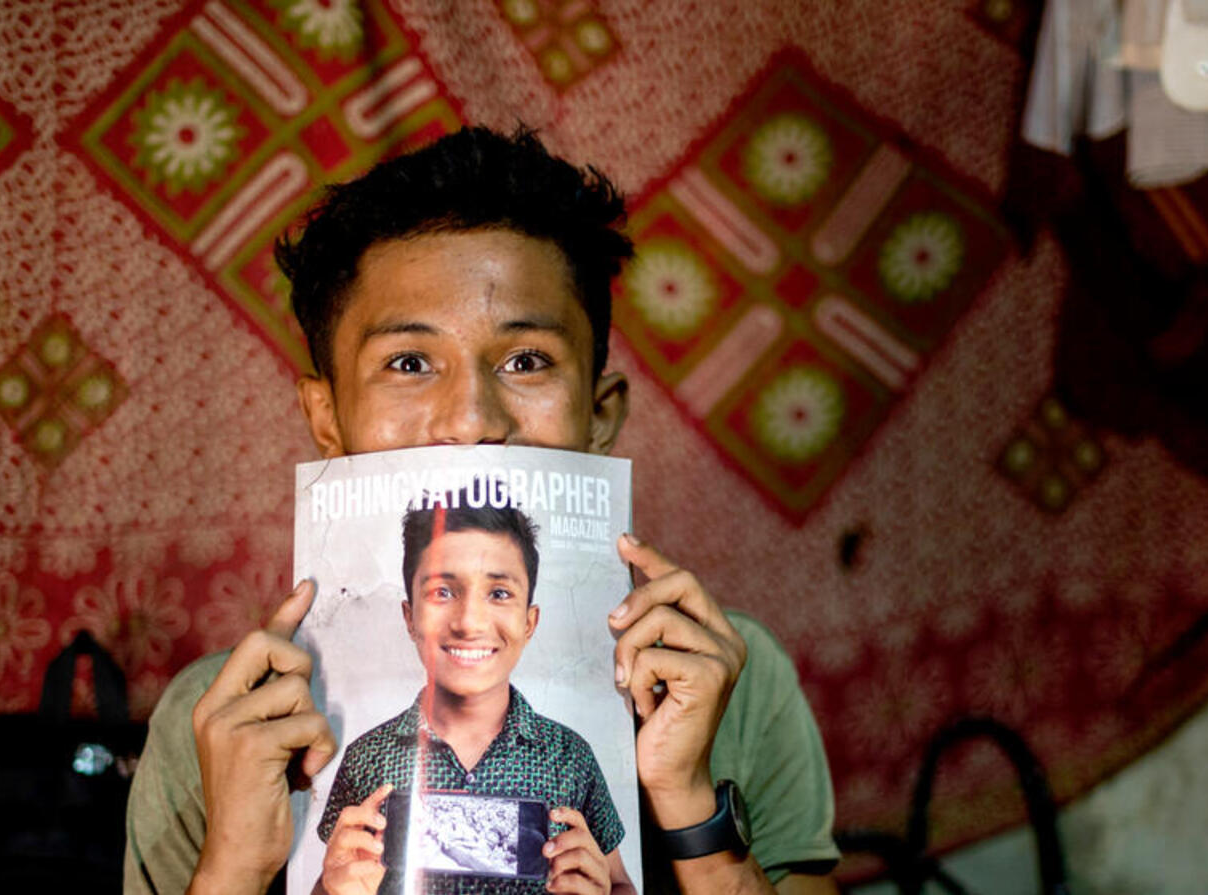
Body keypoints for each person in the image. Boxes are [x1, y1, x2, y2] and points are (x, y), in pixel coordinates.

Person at [123, 126, 840, 895]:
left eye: (526, 360)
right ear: (326, 418)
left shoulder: (732, 680)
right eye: (408, 362)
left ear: (600, 415)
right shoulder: (220, 720)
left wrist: (690, 808)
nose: (469, 421)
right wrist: (234, 864)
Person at [316, 501, 631, 895]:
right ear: (410, 617)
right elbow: (330, 879)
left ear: (529, 621)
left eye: (498, 593)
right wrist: (329, 890)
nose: (469, 622)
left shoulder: (570, 757)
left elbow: (620, 883)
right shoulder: (366, 758)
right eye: (442, 591)